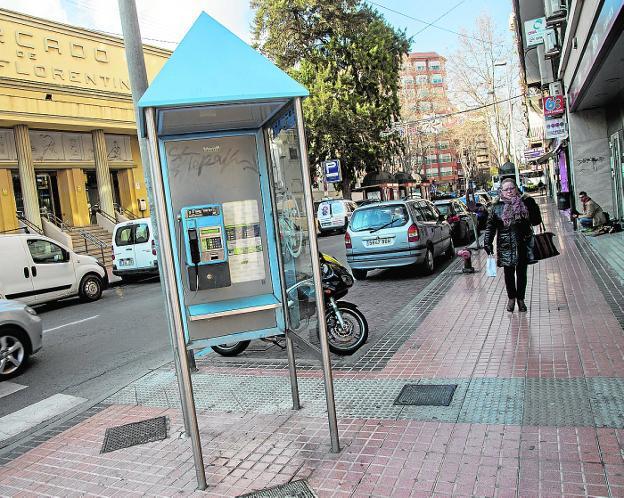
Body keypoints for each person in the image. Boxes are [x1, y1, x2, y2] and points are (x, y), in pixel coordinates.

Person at [484, 178, 542, 312]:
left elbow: (536, 221)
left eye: (512, 188)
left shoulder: (525, 202)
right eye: (506, 189)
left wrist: (532, 206)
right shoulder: (496, 206)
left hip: (523, 243)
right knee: (508, 274)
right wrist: (487, 242)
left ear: (516, 188)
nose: (509, 191)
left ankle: (521, 299)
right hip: (505, 245)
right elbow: (490, 227)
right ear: (502, 192)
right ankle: (511, 298)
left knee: (522, 273)